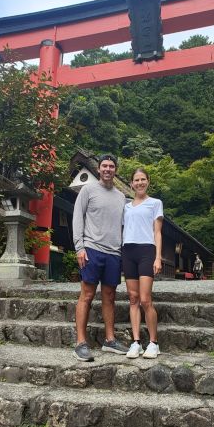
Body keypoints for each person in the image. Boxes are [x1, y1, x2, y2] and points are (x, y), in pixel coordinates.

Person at [72, 154, 129, 362]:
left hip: (113, 252)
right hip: (91, 248)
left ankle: (110, 340)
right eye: (104, 166)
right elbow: (77, 217)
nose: (107, 169)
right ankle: (80, 342)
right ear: (98, 169)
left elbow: (124, 225)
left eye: (111, 166)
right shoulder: (88, 190)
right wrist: (79, 247)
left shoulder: (121, 197)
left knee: (110, 296)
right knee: (87, 294)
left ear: (115, 170)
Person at [122, 168, 163, 359]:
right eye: (136, 180)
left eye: (143, 179)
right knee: (133, 298)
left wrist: (158, 257)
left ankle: (154, 343)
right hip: (128, 250)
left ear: (148, 181)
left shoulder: (155, 203)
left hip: (147, 250)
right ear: (131, 184)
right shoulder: (126, 207)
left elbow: (157, 232)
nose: (140, 183)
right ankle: (136, 342)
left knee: (145, 299)